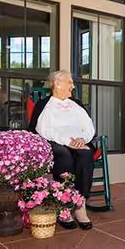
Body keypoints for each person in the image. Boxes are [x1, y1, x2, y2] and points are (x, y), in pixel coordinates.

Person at [27, 70, 95, 231]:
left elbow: (89, 126)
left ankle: (80, 205)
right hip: (55, 142)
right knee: (64, 156)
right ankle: (64, 204)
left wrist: (82, 139)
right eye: (69, 82)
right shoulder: (44, 105)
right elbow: (42, 129)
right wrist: (67, 141)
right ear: (57, 84)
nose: (72, 86)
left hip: (78, 141)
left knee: (85, 154)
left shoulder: (76, 104)